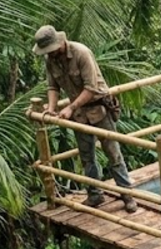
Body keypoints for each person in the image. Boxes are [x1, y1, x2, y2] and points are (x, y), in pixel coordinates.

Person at [33, 25, 137, 212]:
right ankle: (94, 194)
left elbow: (91, 88)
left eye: (53, 50)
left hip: (98, 107)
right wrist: (50, 108)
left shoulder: (81, 53)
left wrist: (70, 108)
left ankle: (127, 194)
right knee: (86, 156)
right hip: (79, 114)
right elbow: (52, 87)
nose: (51, 54)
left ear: (61, 42)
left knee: (113, 152)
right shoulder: (51, 60)